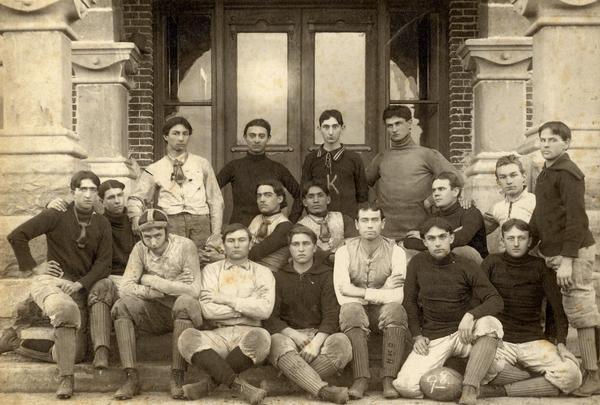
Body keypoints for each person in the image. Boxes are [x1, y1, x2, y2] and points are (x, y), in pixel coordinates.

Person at [3, 171, 112, 399]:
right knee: (65, 312)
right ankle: (65, 379)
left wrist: (81, 285)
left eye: (93, 190)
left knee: (77, 354)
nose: (88, 194)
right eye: (83, 189)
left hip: (79, 289)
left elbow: (103, 263)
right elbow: (18, 236)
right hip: (55, 283)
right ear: (73, 191)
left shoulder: (102, 223)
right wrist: (35, 267)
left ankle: (17, 342)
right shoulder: (57, 214)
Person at [394, 217, 504, 405]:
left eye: (442, 237)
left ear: (451, 238)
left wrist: (470, 316)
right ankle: (461, 379)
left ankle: (469, 389)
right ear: (424, 242)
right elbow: (409, 302)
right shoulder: (416, 263)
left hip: (465, 334)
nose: (437, 243)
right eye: (431, 238)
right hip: (434, 336)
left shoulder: (466, 264)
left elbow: (496, 300)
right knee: (405, 386)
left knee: (491, 324)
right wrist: (417, 336)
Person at [529, 121, 600, 396]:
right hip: (554, 252)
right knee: (570, 308)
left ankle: (594, 375)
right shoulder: (547, 173)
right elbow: (541, 216)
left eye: (552, 140)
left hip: (574, 253)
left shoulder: (569, 173)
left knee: (581, 310)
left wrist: (569, 260)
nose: (545, 144)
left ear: (566, 143)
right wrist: (527, 241)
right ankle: (586, 367)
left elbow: (576, 221)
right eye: (542, 140)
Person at [478, 219, 581, 398]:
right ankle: (535, 380)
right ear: (502, 239)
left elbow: (557, 308)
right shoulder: (491, 263)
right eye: (510, 238)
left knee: (573, 376)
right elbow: (477, 301)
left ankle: (503, 390)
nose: (516, 243)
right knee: (478, 366)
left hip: (533, 341)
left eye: (521, 238)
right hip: (501, 342)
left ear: (530, 240)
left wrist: (561, 342)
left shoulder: (540, 266)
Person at [110, 208, 203, 400]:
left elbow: (194, 290)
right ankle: (131, 377)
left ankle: (177, 376)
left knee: (185, 301)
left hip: (183, 311)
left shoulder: (185, 246)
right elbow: (126, 288)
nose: (153, 241)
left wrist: (153, 280)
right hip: (154, 307)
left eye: (158, 235)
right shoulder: (139, 249)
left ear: (167, 231)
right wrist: (157, 289)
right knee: (122, 305)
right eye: (147, 236)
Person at [177, 223, 275, 404]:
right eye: (231, 241)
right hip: (217, 335)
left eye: (241, 240)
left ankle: (207, 386)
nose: (236, 245)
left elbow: (264, 310)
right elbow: (207, 310)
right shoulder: (211, 270)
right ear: (223, 245)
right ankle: (239, 386)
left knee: (262, 337)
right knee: (187, 338)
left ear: (250, 243)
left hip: (249, 333)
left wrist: (225, 299)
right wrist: (247, 309)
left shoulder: (263, 272)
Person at [46, 179, 137, 369]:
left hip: (130, 280)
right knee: (101, 286)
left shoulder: (135, 223)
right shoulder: (94, 223)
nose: (118, 201)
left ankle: (100, 350)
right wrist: (50, 205)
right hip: (100, 281)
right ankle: (100, 351)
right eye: (111, 197)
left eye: (121, 195)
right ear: (101, 202)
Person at [263, 225, 352, 403]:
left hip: (319, 336)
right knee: (275, 342)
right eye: (295, 244)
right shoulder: (279, 276)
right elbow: (271, 318)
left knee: (342, 343)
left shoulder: (327, 275)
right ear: (289, 248)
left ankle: (286, 385)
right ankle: (324, 391)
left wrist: (316, 344)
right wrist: (293, 335)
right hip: (289, 337)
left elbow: (331, 315)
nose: (301, 249)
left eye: (306, 244)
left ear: (314, 247)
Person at [333, 204, 408, 399]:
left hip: (383, 312)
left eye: (375, 220)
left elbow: (397, 297)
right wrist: (383, 290)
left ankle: (388, 378)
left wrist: (358, 291)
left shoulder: (396, 252)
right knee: (350, 310)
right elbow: (342, 296)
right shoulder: (344, 251)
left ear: (382, 223)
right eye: (365, 220)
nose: (370, 225)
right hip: (356, 311)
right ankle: (361, 377)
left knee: (395, 310)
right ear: (357, 224)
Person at [127, 116, 224, 249]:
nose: (181, 138)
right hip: (171, 222)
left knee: (201, 261)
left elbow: (216, 199)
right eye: (176, 133)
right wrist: (136, 218)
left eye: (185, 134)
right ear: (166, 136)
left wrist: (216, 233)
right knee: (173, 261)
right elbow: (136, 198)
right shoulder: (155, 168)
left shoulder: (202, 164)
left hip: (200, 222)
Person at [366, 105, 460, 241]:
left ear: (410, 123)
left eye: (398, 123)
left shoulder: (427, 154)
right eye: (389, 126)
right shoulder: (382, 157)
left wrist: (431, 200)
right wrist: (374, 203)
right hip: (386, 235)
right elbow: (362, 184)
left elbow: (456, 179)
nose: (394, 129)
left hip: (418, 234)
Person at [217, 118, 302, 225]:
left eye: (261, 136)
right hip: (239, 229)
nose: (256, 140)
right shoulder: (233, 166)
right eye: (252, 135)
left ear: (268, 138)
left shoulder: (278, 168)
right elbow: (211, 191)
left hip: (268, 229)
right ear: (245, 138)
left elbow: (300, 195)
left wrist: (290, 222)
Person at [294, 109, 368, 220]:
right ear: (319, 129)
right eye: (326, 127)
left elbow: (362, 196)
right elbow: (303, 193)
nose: (330, 132)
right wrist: (293, 221)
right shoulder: (311, 159)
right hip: (318, 220)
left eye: (335, 127)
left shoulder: (354, 158)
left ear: (342, 128)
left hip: (347, 220)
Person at [403, 171, 488, 264]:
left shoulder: (470, 213)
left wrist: (427, 238)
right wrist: (448, 236)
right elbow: (408, 241)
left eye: (441, 189)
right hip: (444, 266)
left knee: (461, 251)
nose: (436, 194)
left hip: (474, 269)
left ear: (455, 192)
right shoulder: (434, 217)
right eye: (434, 190)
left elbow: (461, 239)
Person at [297, 180, 357, 260]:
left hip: (344, 264)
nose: (316, 200)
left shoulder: (344, 219)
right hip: (316, 268)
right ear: (305, 202)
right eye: (311, 197)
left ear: (328, 199)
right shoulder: (300, 227)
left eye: (320, 196)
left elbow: (354, 244)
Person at [247, 180, 294, 271]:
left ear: (280, 199)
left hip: (269, 273)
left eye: (268, 195)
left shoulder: (285, 225)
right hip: (249, 268)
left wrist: (225, 256)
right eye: (259, 196)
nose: (262, 200)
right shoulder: (257, 219)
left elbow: (257, 252)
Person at [484, 155, 536, 234]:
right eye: (503, 177)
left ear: (523, 177)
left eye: (513, 175)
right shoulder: (497, 208)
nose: (509, 181)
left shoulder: (535, 202)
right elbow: (475, 232)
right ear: (498, 182)